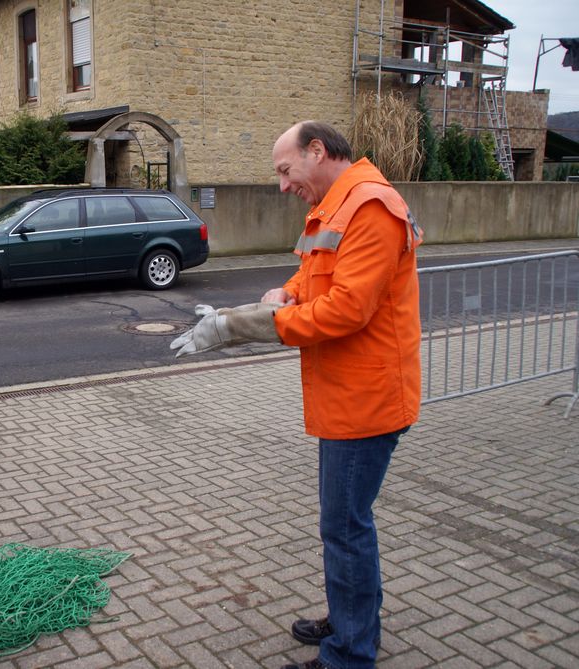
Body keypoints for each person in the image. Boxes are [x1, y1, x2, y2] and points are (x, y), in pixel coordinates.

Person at [171, 120, 422, 669]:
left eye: (285, 171)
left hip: (368, 401)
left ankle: (350, 653)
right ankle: (352, 618)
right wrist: (286, 291)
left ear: (316, 151)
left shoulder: (371, 207)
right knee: (347, 523)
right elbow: (316, 281)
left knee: (345, 527)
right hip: (347, 395)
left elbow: (347, 310)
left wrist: (242, 326)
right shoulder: (336, 206)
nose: (283, 185)